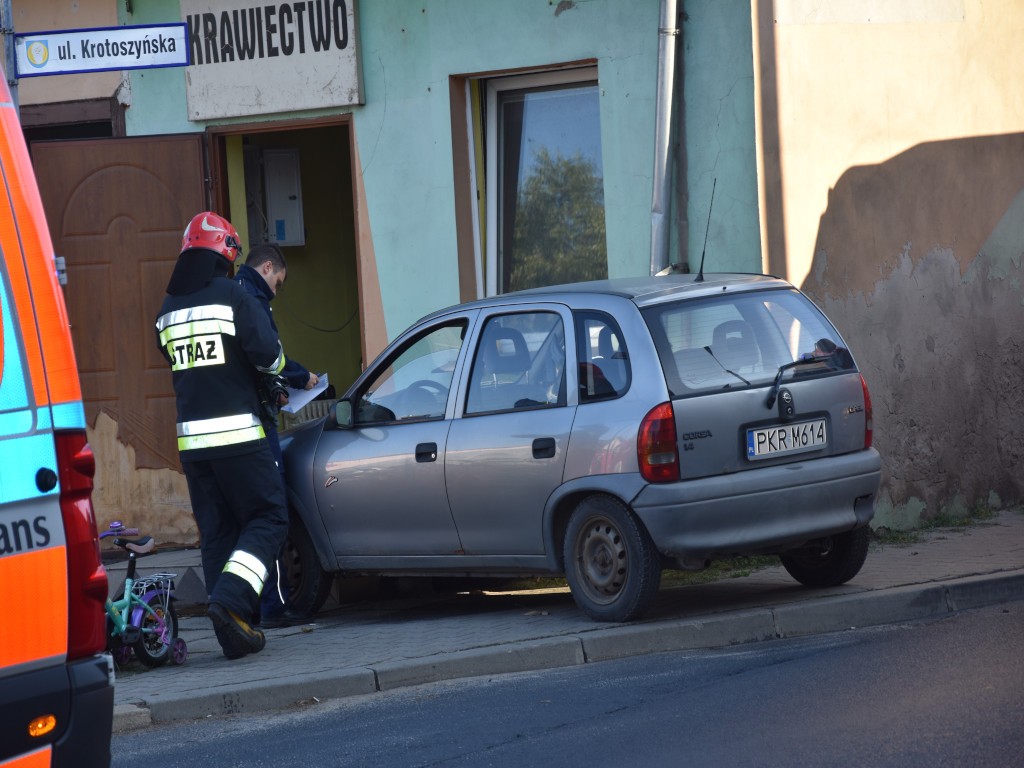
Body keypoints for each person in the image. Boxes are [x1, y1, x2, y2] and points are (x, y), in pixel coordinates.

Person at [154, 212, 289, 660]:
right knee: (269, 517)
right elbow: (269, 357)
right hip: (239, 439)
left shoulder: (166, 310)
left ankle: (232, 633)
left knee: (217, 533)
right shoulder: (234, 296)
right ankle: (232, 602)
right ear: (225, 253)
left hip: (194, 448)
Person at [235, 243, 319, 628]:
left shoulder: (231, 295)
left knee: (242, 520)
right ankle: (274, 605)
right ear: (267, 267)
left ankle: (245, 607)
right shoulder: (251, 299)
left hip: (232, 431)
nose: (276, 291)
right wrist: (301, 377)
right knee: (272, 516)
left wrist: (275, 387)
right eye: (279, 283)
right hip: (256, 426)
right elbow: (270, 359)